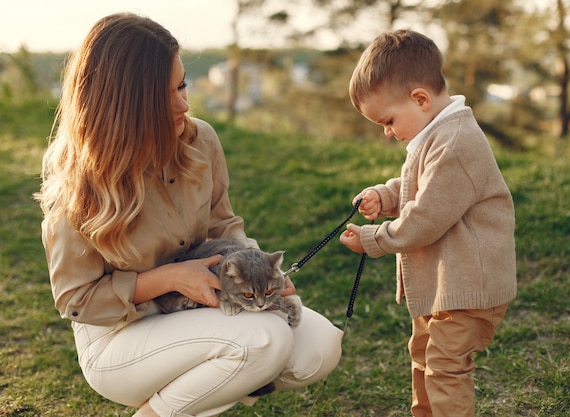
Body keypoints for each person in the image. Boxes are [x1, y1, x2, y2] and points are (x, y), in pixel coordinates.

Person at [35, 13, 342, 417]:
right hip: (119, 335)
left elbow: (223, 225)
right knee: (264, 340)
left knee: (319, 347)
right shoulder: (79, 181)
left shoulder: (202, 140)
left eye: (183, 85)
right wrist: (167, 278)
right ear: (128, 105)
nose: (184, 103)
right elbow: (76, 301)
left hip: (198, 307)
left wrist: (258, 273)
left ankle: (200, 389)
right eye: (167, 94)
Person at [339, 30, 517, 417]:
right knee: (423, 356)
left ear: (420, 99)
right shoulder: (437, 134)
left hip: (468, 287)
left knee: (446, 368)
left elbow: (426, 217)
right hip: (443, 287)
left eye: (388, 121)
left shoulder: (455, 141)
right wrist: (386, 197)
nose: (387, 133)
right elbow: (423, 187)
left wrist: (374, 239)